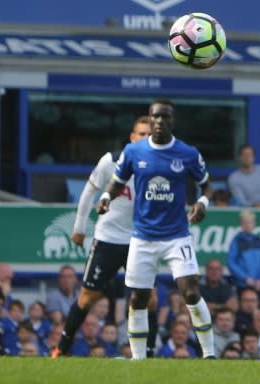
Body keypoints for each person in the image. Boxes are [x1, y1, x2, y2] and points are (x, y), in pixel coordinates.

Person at [96, 98, 215, 360]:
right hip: (143, 237)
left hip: (177, 236)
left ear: (172, 121)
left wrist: (202, 202)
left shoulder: (187, 153)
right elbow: (117, 182)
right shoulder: (133, 152)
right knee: (138, 299)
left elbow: (206, 184)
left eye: (165, 117)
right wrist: (106, 197)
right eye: (155, 117)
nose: (160, 121)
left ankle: (210, 355)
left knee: (192, 292)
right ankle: (139, 361)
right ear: (149, 120)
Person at [54, 116, 156, 358]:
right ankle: (61, 349)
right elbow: (89, 191)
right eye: (141, 134)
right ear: (132, 138)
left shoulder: (160, 166)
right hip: (108, 237)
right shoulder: (111, 161)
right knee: (88, 297)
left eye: (149, 135)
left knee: (148, 298)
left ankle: (149, 355)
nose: (145, 138)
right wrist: (79, 227)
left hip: (140, 240)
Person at [227, 210, 260, 293]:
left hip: (258, 284)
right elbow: (231, 262)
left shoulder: (258, 240)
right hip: (243, 284)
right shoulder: (236, 241)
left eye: (250, 222)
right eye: (245, 223)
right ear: (241, 224)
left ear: (254, 224)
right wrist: (245, 278)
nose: (248, 225)